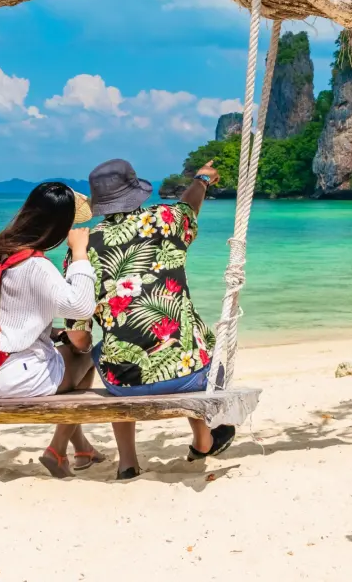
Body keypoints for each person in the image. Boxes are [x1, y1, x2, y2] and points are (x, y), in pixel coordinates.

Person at [83, 157, 235, 480]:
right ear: (136, 192)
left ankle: (127, 463)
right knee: (194, 339)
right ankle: (203, 440)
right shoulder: (163, 220)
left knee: (113, 344)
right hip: (185, 374)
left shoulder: (84, 245)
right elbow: (189, 207)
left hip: (122, 382)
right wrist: (202, 179)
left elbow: (79, 326)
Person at [0, 181, 104, 478]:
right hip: (14, 379)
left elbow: (13, 313)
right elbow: (80, 307)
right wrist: (80, 254)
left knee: (67, 353)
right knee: (85, 354)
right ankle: (57, 448)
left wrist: (48, 332)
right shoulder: (35, 264)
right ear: (60, 226)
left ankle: (80, 448)